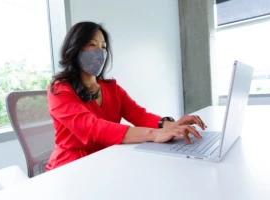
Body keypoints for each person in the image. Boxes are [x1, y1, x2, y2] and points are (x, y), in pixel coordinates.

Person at [46, 21, 207, 171]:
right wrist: (153, 134)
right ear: (75, 49)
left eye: (103, 47)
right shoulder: (60, 90)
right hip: (69, 167)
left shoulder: (112, 88)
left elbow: (140, 115)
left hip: (105, 160)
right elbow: (94, 128)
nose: (100, 52)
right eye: (92, 45)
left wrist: (172, 126)